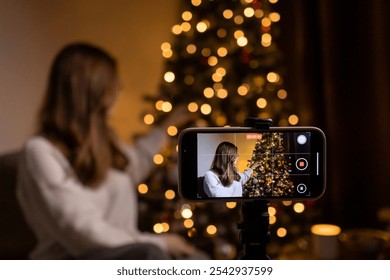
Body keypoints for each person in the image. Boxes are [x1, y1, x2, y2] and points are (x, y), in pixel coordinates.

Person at [16, 42, 196, 260]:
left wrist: (168, 126)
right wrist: (159, 241)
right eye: (113, 86)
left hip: (123, 257)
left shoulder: (107, 145)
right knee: (152, 255)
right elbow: (84, 231)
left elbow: (137, 163)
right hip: (73, 262)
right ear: (93, 89)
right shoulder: (41, 152)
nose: (119, 93)